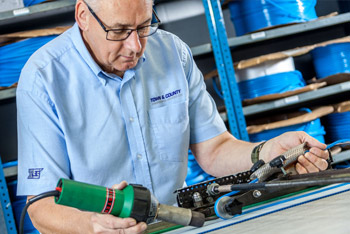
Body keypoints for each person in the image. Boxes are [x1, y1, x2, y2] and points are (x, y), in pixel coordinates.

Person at [16, 0, 329, 233]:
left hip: (175, 225)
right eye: (120, 31)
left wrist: (266, 152)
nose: (135, 46)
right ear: (83, 16)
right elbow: (41, 206)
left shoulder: (172, 54)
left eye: (143, 26)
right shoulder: (44, 78)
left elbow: (214, 149)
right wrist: (95, 225)